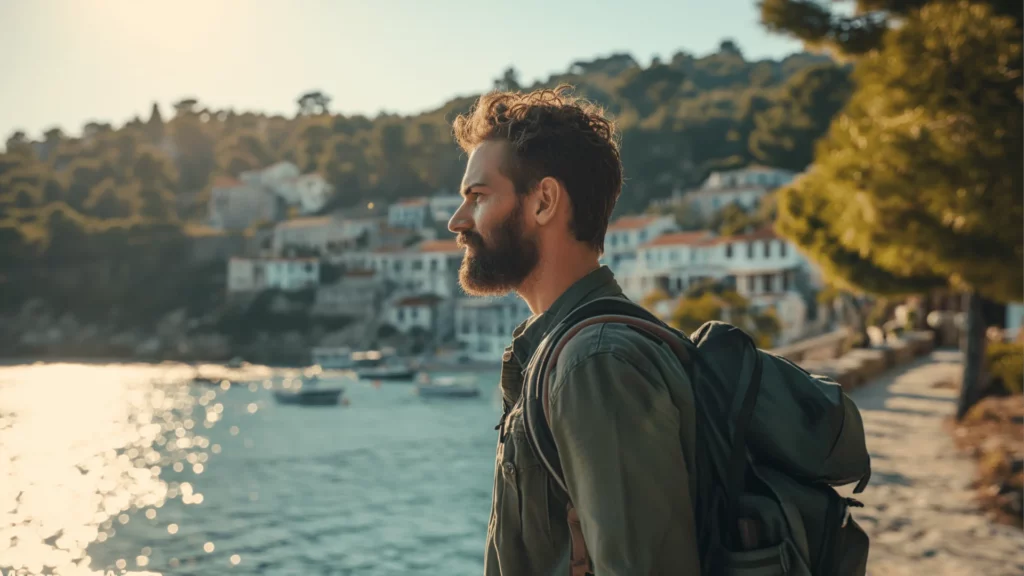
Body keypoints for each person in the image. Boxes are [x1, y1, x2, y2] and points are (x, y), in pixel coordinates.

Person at [448, 85, 700, 575]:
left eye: (478, 196)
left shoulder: (595, 363)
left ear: (544, 201)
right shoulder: (566, 350)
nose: (457, 221)